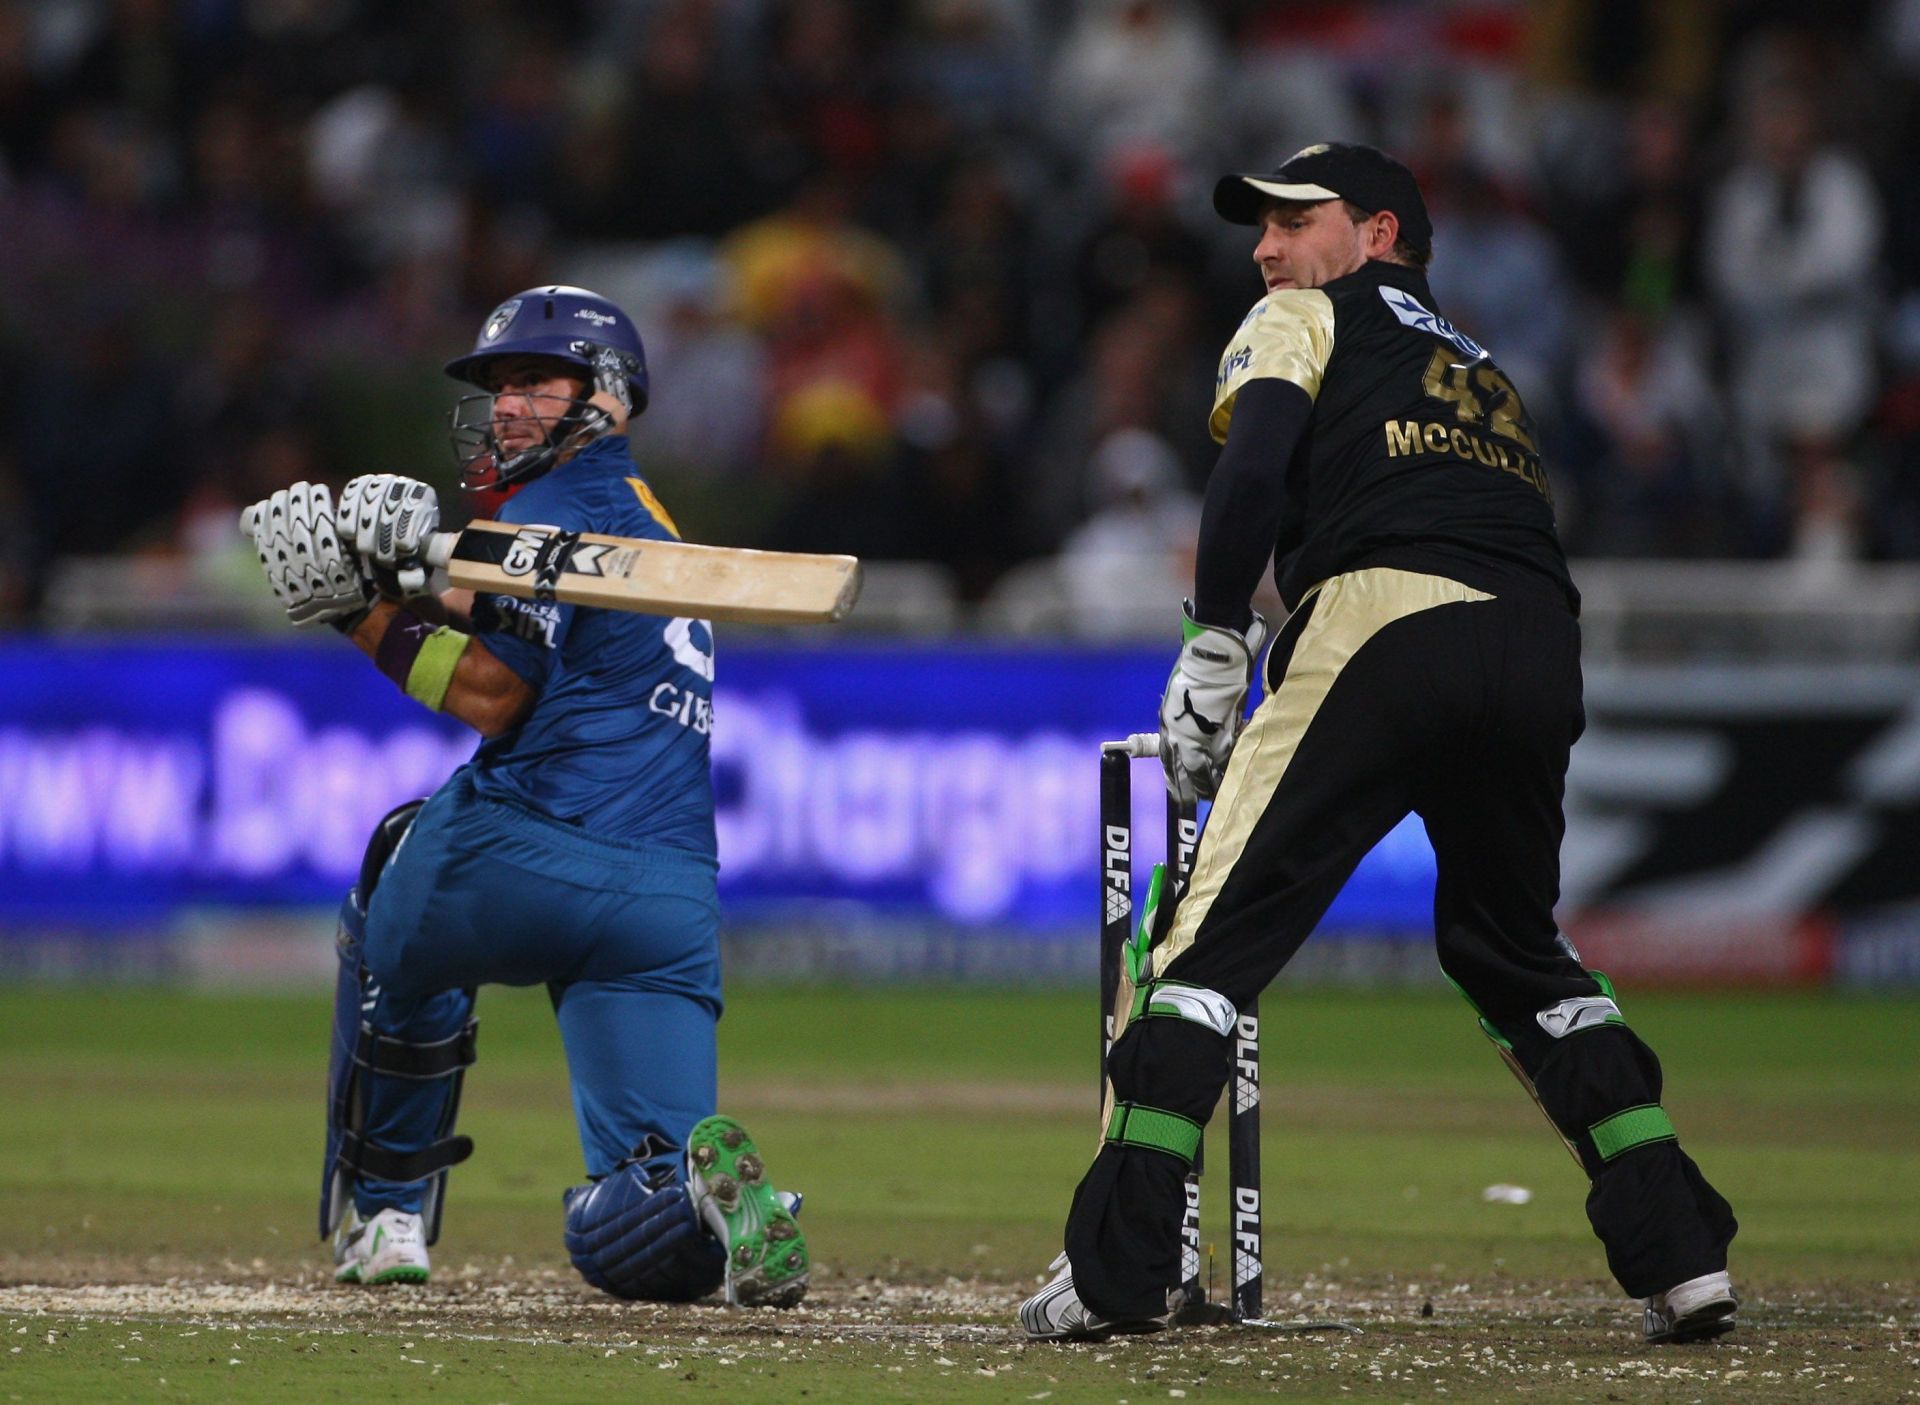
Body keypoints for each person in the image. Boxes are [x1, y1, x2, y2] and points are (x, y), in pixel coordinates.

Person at [1019, 145, 1737, 1345]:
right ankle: (1682, 1250)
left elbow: (1251, 465)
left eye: (1296, 220)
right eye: (1261, 228)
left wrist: (1213, 640)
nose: (1266, 248)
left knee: (1200, 941)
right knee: (1517, 955)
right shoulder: (1477, 361)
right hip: (1538, 644)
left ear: (1380, 232)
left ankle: (1120, 1265)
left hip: (1383, 623)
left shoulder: (1305, 314)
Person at [239, 285, 809, 1308]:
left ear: (613, 398)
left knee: (393, 885)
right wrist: (403, 579)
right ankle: (702, 1200)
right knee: (636, 1236)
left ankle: (386, 1213)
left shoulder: (551, 508)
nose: (507, 407)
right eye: (501, 386)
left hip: (528, 848)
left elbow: (491, 695)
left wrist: (353, 608)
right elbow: (484, 610)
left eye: (537, 385)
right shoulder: (646, 519)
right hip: (669, 900)